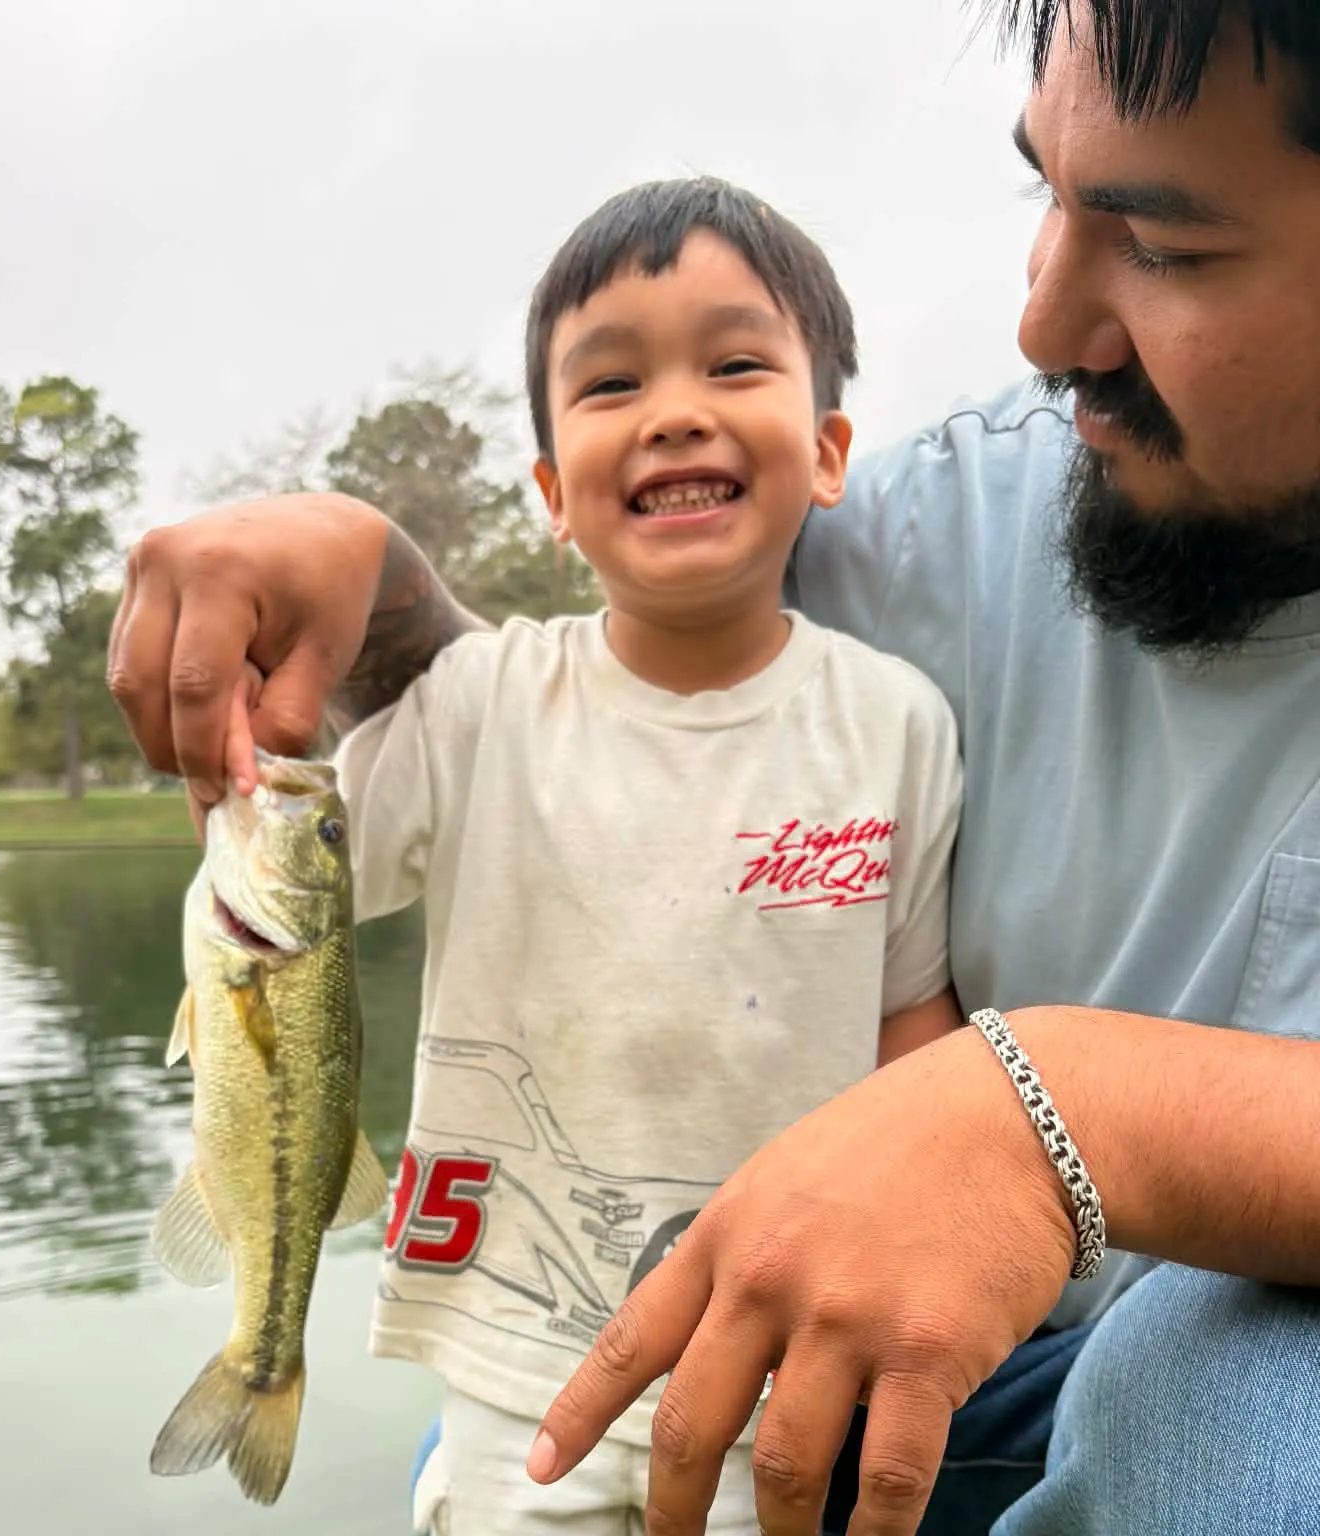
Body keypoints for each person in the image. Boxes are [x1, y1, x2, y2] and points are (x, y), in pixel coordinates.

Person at [105, 1, 1320, 1532]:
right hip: (781, 1348)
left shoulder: (904, 695)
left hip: (1140, 1376)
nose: (1040, 332)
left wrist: (1067, 1107)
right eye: (1045, 196)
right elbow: (611, 733)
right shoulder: (971, 512)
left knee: (1253, 1432)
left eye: (1168, 247)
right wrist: (376, 580)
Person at [326, 176, 966, 1535]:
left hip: (785, 1364)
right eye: (611, 384)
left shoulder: (898, 721)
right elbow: (318, 871)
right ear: (556, 493)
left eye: (736, 364)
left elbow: (915, 1027)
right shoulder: (478, 699)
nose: (676, 408)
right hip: (513, 1364)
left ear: (830, 448)